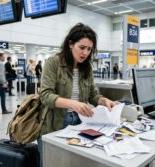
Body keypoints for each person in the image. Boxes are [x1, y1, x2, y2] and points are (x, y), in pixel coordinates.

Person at [38, 23, 115, 167]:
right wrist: (73, 104)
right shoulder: (53, 63)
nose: (85, 53)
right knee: (53, 162)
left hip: (80, 122)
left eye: (89, 49)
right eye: (82, 47)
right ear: (70, 44)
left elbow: (93, 95)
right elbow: (45, 95)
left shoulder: (87, 68)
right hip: (56, 123)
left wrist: (104, 101)